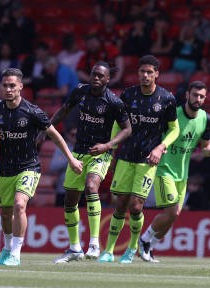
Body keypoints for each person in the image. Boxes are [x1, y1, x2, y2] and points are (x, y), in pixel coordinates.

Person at [0, 68, 83, 266]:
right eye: (5, 85)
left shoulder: (32, 111)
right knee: (6, 212)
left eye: (12, 86)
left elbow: (54, 135)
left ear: (20, 87)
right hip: (6, 169)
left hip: (29, 167)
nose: (8, 89)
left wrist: (71, 159)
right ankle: (7, 248)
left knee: (19, 204)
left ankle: (16, 253)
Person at [97, 55, 180, 264]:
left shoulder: (167, 99)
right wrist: (112, 147)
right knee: (120, 204)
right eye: (142, 72)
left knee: (136, 206)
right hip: (125, 157)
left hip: (147, 160)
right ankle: (107, 251)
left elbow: (174, 129)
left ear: (156, 74)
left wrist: (161, 148)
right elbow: (119, 124)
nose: (145, 75)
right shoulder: (128, 95)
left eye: (149, 72)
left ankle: (132, 248)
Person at [50, 62, 132, 263]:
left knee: (91, 186)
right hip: (79, 151)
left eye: (100, 75)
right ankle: (74, 248)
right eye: (93, 74)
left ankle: (94, 244)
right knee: (70, 200)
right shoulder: (80, 91)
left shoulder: (114, 102)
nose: (96, 78)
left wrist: (108, 146)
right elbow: (64, 110)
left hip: (100, 153)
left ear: (107, 79)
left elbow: (127, 129)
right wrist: (47, 127)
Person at [138, 81, 210, 263]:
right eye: (195, 95)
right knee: (173, 212)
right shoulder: (173, 114)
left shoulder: (207, 119)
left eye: (201, 96)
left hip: (182, 173)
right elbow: (156, 134)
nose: (197, 99)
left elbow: (205, 146)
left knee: (174, 216)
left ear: (205, 98)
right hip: (163, 169)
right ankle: (144, 239)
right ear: (187, 95)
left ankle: (151, 245)